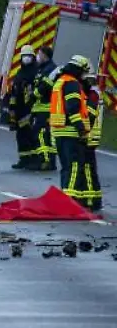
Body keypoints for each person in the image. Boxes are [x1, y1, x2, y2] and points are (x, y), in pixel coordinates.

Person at [50, 54, 91, 205]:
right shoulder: (72, 83)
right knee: (74, 166)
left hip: (59, 131)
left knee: (66, 168)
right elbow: (72, 108)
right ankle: (70, 201)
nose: (84, 75)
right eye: (84, 71)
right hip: (71, 131)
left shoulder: (60, 81)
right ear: (79, 69)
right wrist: (81, 128)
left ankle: (64, 198)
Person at [10, 45, 39, 169]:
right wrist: (12, 108)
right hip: (20, 109)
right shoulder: (19, 72)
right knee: (21, 136)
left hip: (31, 109)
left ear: (33, 57)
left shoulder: (36, 72)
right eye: (24, 56)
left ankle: (34, 160)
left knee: (31, 135)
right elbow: (14, 91)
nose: (26, 58)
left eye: (29, 56)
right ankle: (24, 159)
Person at [29, 46, 58, 170]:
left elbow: (44, 87)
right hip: (41, 108)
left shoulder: (49, 69)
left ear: (44, 55)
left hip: (45, 109)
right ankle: (49, 161)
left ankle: (45, 161)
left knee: (41, 134)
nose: (37, 57)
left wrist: (33, 94)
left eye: (39, 54)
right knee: (45, 135)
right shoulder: (43, 68)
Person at [82, 71, 104, 211]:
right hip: (92, 136)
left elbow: (89, 116)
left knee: (88, 169)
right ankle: (95, 199)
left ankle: (91, 200)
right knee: (90, 169)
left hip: (89, 136)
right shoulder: (95, 93)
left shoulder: (93, 95)